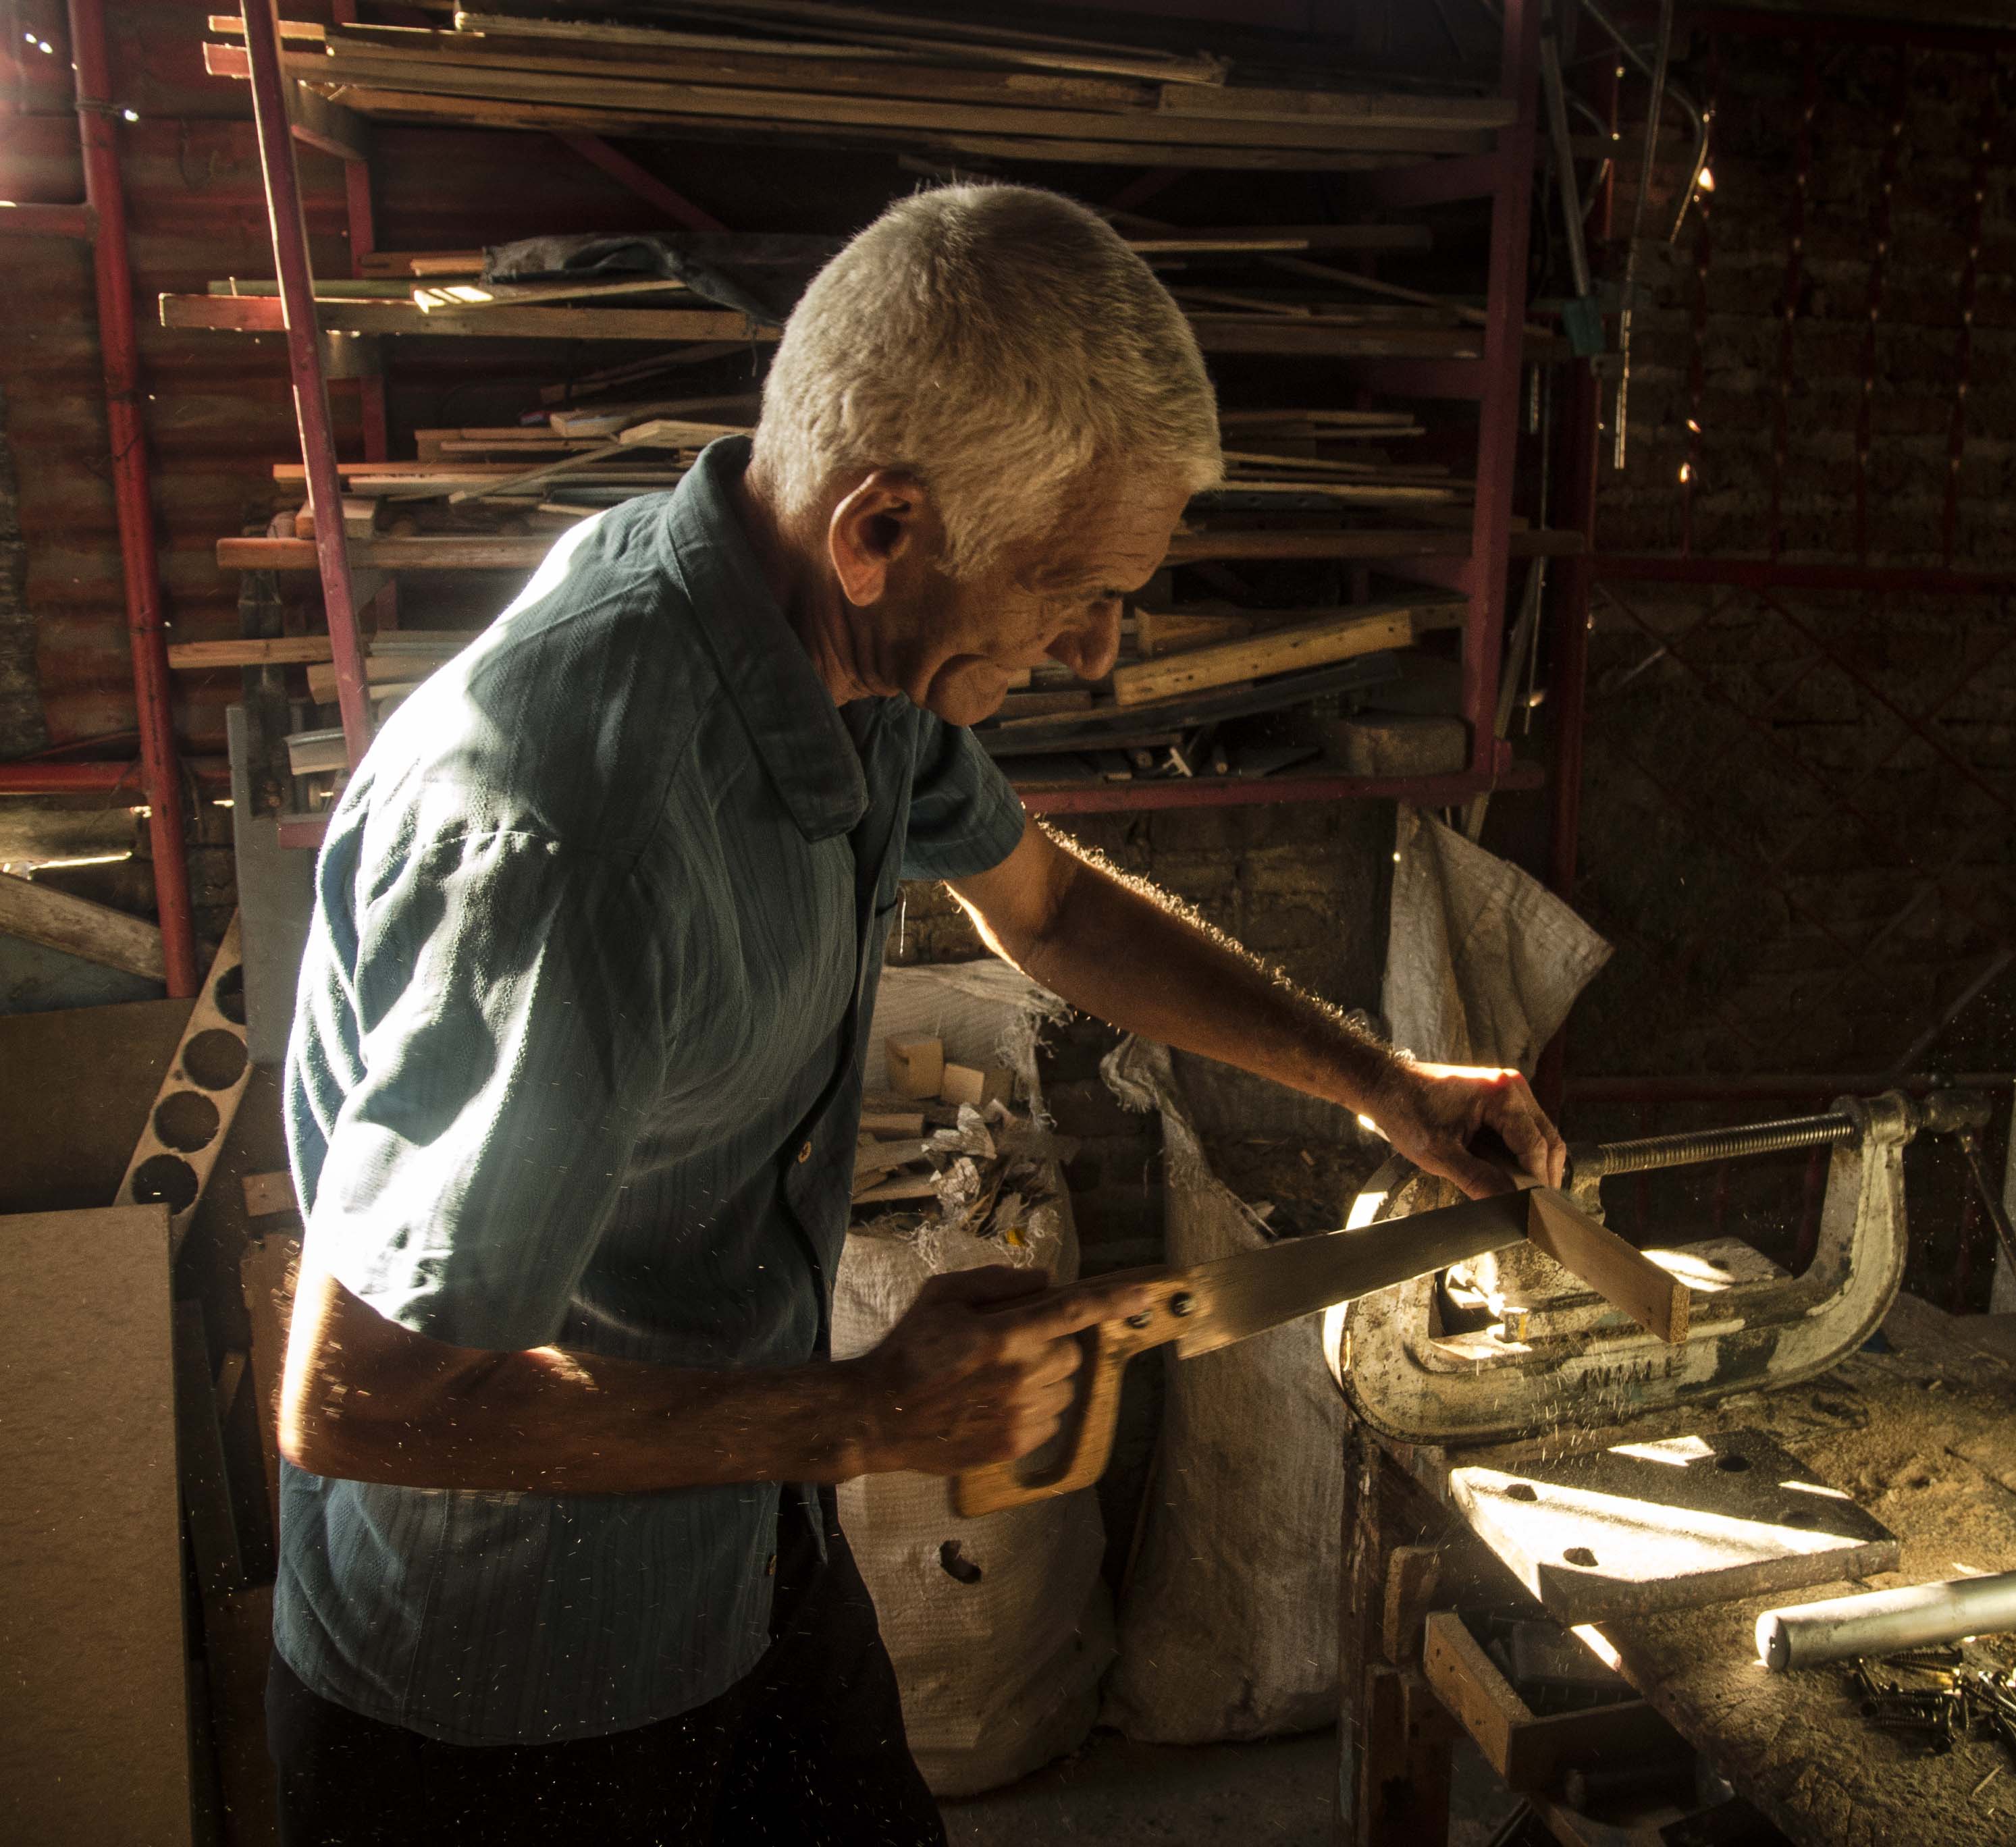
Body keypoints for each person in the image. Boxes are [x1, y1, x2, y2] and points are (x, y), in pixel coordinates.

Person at [269, 183, 1566, 1846]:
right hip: (506, 1700)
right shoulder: (577, 839)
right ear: (881, 528)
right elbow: (365, 1398)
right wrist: (867, 1415)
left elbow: (1060, 908)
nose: (1098, 653)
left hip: (743, 1558)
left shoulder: (836, 656)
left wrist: (1380, 1084)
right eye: (1070, 591)